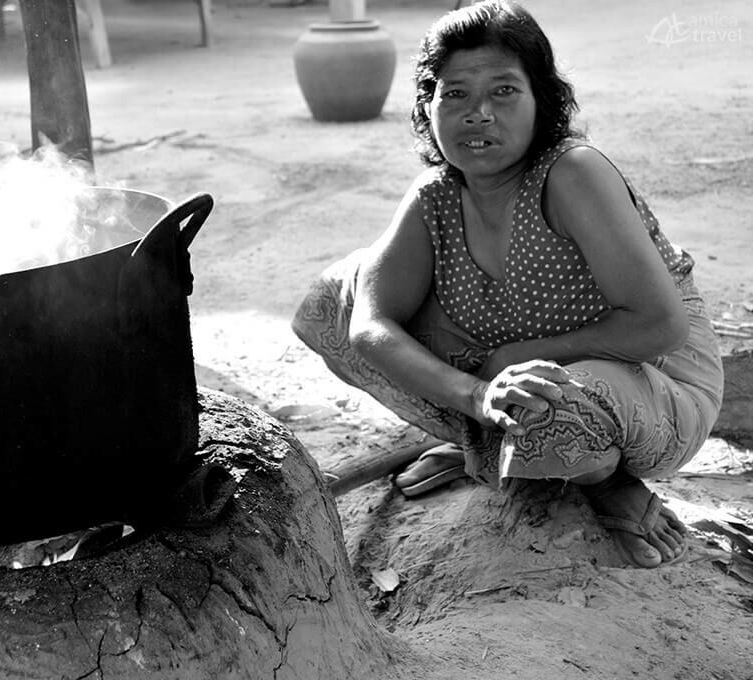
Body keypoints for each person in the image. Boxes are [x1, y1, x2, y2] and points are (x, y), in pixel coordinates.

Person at [291, 0, 723, 569]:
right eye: (456, 94)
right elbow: (371, 323)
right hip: (510, 371)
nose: (478, 114)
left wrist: (518, 357)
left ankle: (608, 480)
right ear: (428, 107)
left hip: (655, 377)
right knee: (330, 305)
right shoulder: (436, 196)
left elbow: (659, 326)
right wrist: (476, 393)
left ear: (541, 100)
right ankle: (485, 442)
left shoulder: (572, 174)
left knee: (552, 416)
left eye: (503, 91)